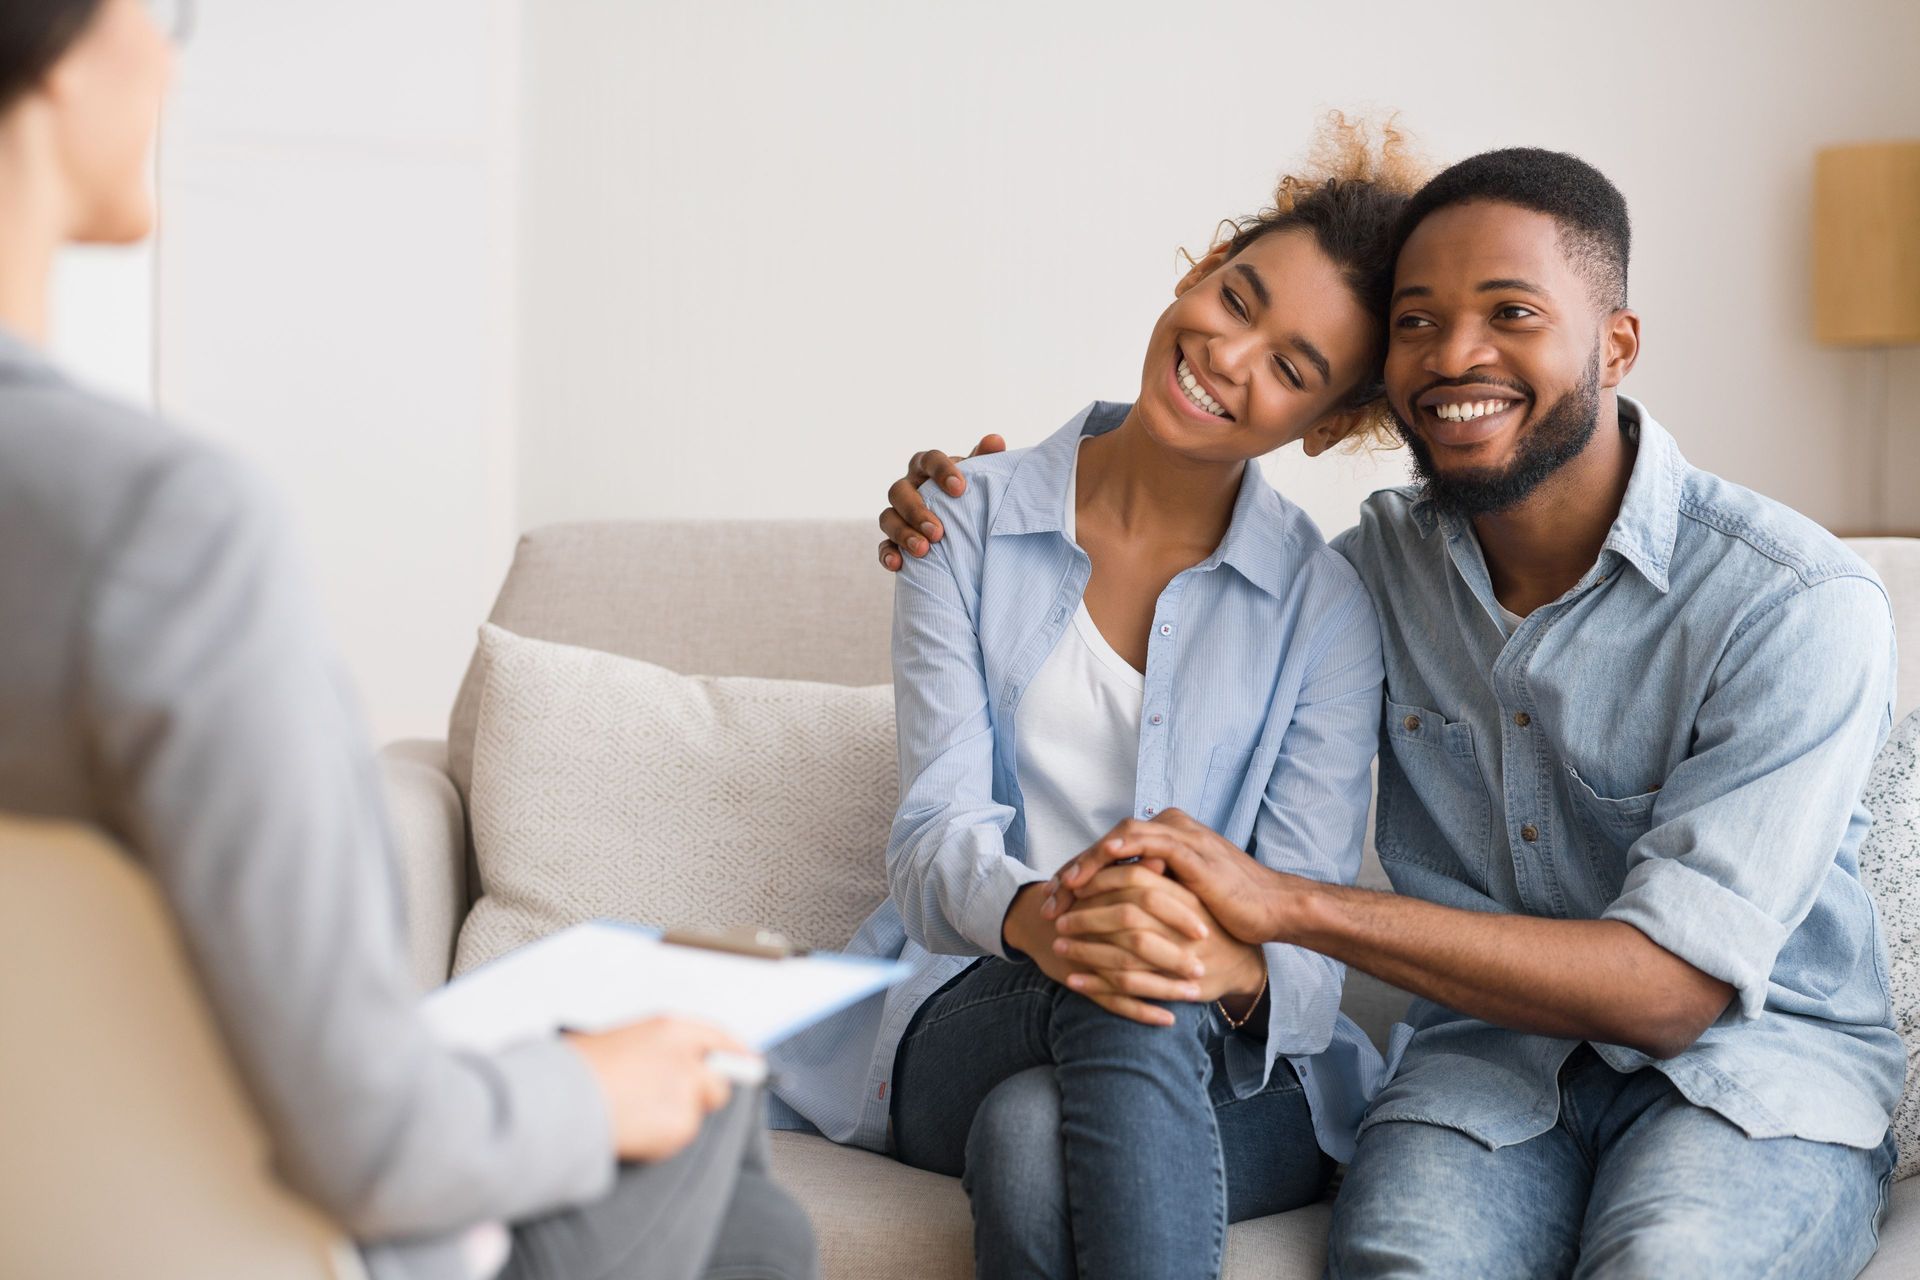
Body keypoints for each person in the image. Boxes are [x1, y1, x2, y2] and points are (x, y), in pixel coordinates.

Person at [879, 148, 1901, 1278]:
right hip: (1477, 1070)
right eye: (1420, 321)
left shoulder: (1794, 600)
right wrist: (978, 497)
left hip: (1747, 1070)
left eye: (1510, 312)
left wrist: (1267, 912)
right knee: (1158, 1009)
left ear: (1615, 342)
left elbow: (1668, 989)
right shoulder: (1374, 575)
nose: (1457, 354)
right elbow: (944, 825)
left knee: (1666, 1266)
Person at [0, 4, 816, 1279]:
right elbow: (370, 1142)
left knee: (756, 1228)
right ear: (59, 48)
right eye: (161, 13)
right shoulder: (154, 528)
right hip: (289, 1234)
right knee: (705, 1087)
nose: (168, 57)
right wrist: (593, 1087)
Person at [772, 118, 1424, 1280]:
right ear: (1198, 270)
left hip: (1227, 1053)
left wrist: (1218, 962)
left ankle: (1144, 965)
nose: (1229, 357)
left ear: (1320, 427)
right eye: (1238, 299)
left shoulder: (1324, 608)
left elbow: (1309, 929)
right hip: (980, 994)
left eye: (1290, 366)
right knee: (1125, 977)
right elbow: (933, 846)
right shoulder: (958, 522)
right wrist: (1054, 919)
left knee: (1037, 1137)